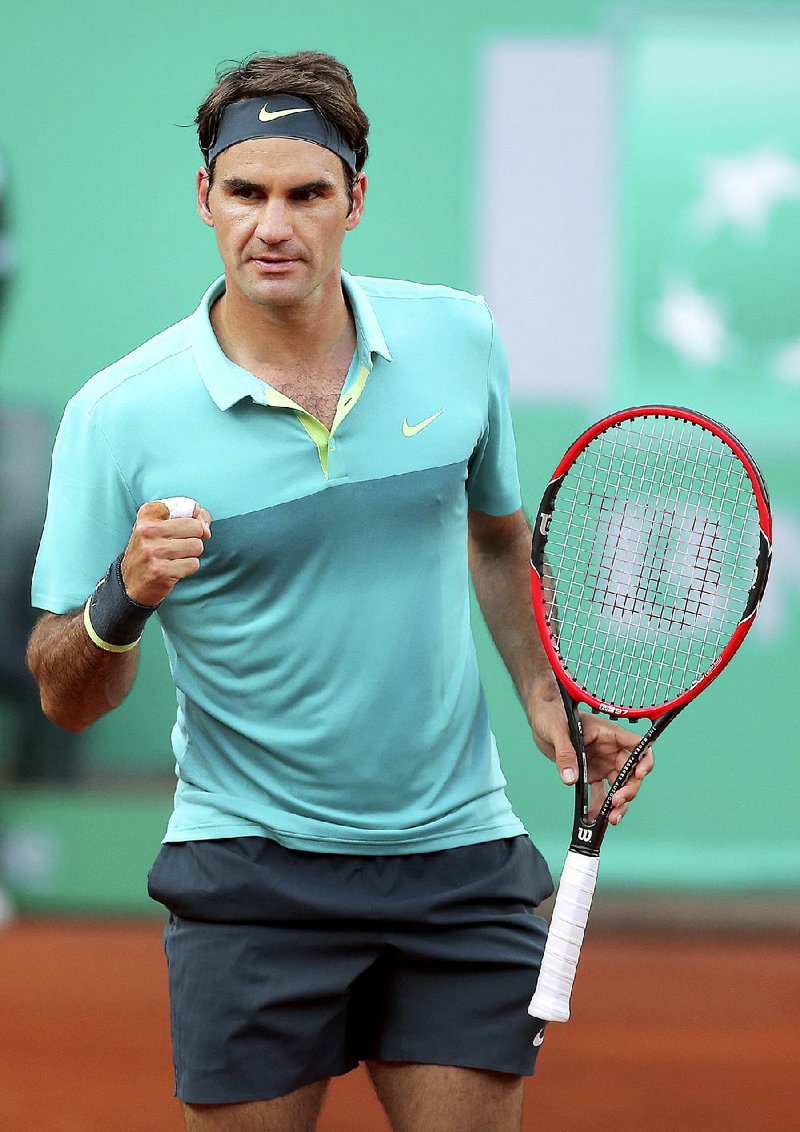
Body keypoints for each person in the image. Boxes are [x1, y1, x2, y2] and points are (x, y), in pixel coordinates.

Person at [27, 52, 653, 1132]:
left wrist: (548, 697)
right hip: (250, 869)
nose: (274, 225)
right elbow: (63, 692)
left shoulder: (455, 340)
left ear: (353, 201)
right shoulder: (116, 416)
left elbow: (497, 539)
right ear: (204, 199)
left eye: (306, 193)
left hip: (458, 855)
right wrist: (121, 597)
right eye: (246, 192)